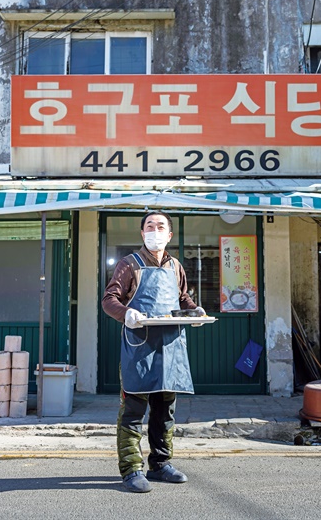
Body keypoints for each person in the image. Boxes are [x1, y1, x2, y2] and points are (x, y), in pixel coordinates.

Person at [102, 211, 205, 493]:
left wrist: (194, 310)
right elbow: (109, 300)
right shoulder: (129, 265)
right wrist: (126, 314)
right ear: (142, 233)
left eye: (161, 227)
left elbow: (182, 298)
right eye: (150, 226)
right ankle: (131, 469)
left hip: (170, 347)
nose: (155, 230)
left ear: (169, 235)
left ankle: (160, 464)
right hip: (139, 348)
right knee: (134, 411)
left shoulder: (175, 267)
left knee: (165, 411)